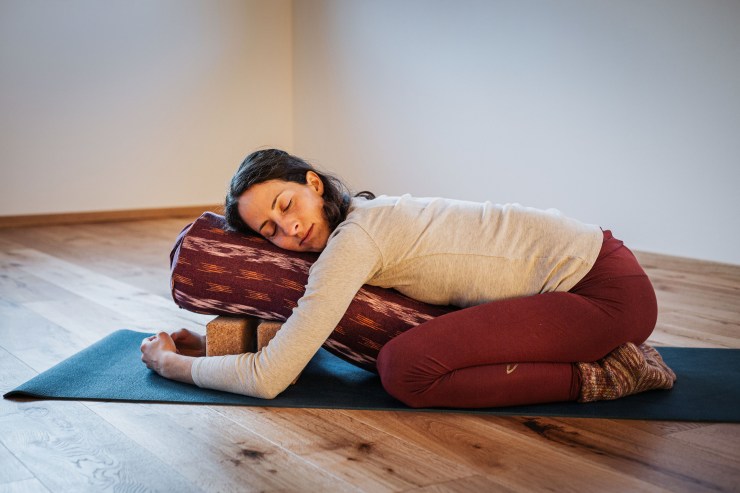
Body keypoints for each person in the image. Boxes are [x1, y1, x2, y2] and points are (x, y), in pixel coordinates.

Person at [141, 149, 676, 407]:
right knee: (412, 360)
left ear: (312, 183)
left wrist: (172, 366)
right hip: (596, 275)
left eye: (287, 204)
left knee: (406, 371)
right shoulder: (363, 216)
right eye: (270, 230)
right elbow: (306, 335)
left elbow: (270, 378)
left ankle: (611, 374)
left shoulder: (356, 240)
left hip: (602, 293)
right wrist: (212, 346)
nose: (290, 228)